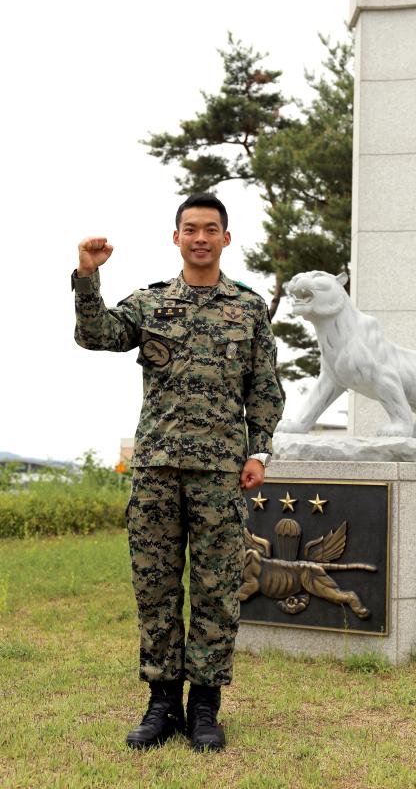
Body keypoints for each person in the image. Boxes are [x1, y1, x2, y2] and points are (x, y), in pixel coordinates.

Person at [72, 192, 284, 752]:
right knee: (156, 588)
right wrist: (87, 277)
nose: (200, 238)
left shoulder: (248, 307)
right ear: (176, 238)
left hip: (220, 474)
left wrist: (258, 452)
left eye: (210, 229)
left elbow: (265, 388)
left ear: (225, 239)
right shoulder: (149, 303)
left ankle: (206, 707)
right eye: (190, 229)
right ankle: (162, 702)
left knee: (216, 591)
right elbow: (96, 336)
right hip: (157, 472)